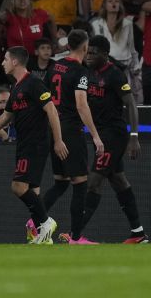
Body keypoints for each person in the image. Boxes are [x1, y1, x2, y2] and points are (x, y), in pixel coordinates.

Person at [0, 46, 68, 244]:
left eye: (5, 59)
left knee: (18, 186)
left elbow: (52, 111)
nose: (3, 63)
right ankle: (43, 235)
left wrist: (58, 140)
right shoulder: (16, 87)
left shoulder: (33, 83)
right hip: (25, 143)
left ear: (15, 62)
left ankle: (46, 222)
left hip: (35, 143)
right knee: (34, 189)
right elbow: (6, 117)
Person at [71, 35, 147, 243]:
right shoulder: (87, 72)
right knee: (118, 181)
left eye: (94, 53)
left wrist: (134, 136)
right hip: (100, 133)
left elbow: (130, 104)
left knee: (94, 182)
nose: (89, 56)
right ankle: (138, 233)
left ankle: (75, 235)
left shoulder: (114, 74)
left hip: (114, 135)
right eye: (88, 52)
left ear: (105, 55)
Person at [41, 29, 104, 245]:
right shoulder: (80, 72)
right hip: (70, 131)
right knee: (80, 183)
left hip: (54, 129)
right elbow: (81, 104)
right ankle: (76, 238)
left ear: (68, 45)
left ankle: (35, 221)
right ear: (85, 47)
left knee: (60, 183)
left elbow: (46, 98)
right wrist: (95, 135)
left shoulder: (54, 66)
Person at [91, 0, 142, 104]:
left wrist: (137, 70)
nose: (114, 3)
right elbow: (94, 50)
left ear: (120, 5)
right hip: (104, 69)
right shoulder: (96, 24)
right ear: (104, 5)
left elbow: (132, 49)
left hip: (124, 70)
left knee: (125, 102)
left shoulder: (127, 24)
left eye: (116, 1)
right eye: (110, 1)